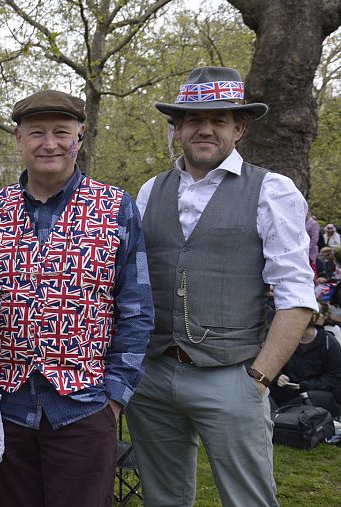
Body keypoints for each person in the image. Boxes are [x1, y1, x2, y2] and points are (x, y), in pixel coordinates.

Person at [125, 66, 318, 506]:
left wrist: (259, 377)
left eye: (218, 119)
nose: (205, 129)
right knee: (163, 500)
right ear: (177, 128)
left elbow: (296, 295)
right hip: (153, 376)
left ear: (239, 127)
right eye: (194, 119)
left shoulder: (273, 190)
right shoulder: (151, 190)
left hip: (232, 376)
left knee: (248, 500)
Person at [0, 89, 152, 507]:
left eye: (61, 132)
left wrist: (114, 397)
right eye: (37, 132)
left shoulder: (115, 207)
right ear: (18, 139)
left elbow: (137, 309)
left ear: (81, 136)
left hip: (83, 407)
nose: (49, 143)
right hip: (7, 407)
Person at [269, 303, 341, 418]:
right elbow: (269, 364)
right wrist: (278, 376)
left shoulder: (329, 342)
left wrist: (303, 386)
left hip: (314, 393)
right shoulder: (284, 339)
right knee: (262, 391)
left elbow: (334, 379)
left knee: (317, 398)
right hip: (286, 392)